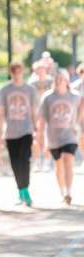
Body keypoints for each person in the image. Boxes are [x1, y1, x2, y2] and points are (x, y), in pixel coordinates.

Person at [0, 61, 39, 206]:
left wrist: (36, 129)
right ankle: (21, 191)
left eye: (20, 71)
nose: (17, 74)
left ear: (23, 72)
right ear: (11, 73)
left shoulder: (30, 90)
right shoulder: (5, 90)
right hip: (10, 132)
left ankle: (25, 190)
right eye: (14, 71)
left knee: (24, 159)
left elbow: (34, 111)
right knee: (15, 162)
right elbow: (0, 113)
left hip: (26, 130)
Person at [38, 69, 82, 206]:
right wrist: (42, 139)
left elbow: (82, 107)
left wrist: (78, 122)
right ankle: (62, 191)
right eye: (56, 79)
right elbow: (42, 120)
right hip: (53, 137)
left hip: (70, 135)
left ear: (66, 81)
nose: (58, 81)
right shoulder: (47, 97)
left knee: (68, 160)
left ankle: (69, 192)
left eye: (61, 79)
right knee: (58, 165)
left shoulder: (75, 96)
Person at [29, 60, 53, 172]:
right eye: (39, 69)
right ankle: (37, 162)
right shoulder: (31, 83)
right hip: (36, 113)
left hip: (50, 113)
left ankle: (47, 161)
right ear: (35, 70)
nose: (41, 71)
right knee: (36, 137)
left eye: (43, 69)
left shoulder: (51, 81)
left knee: (48, 137)